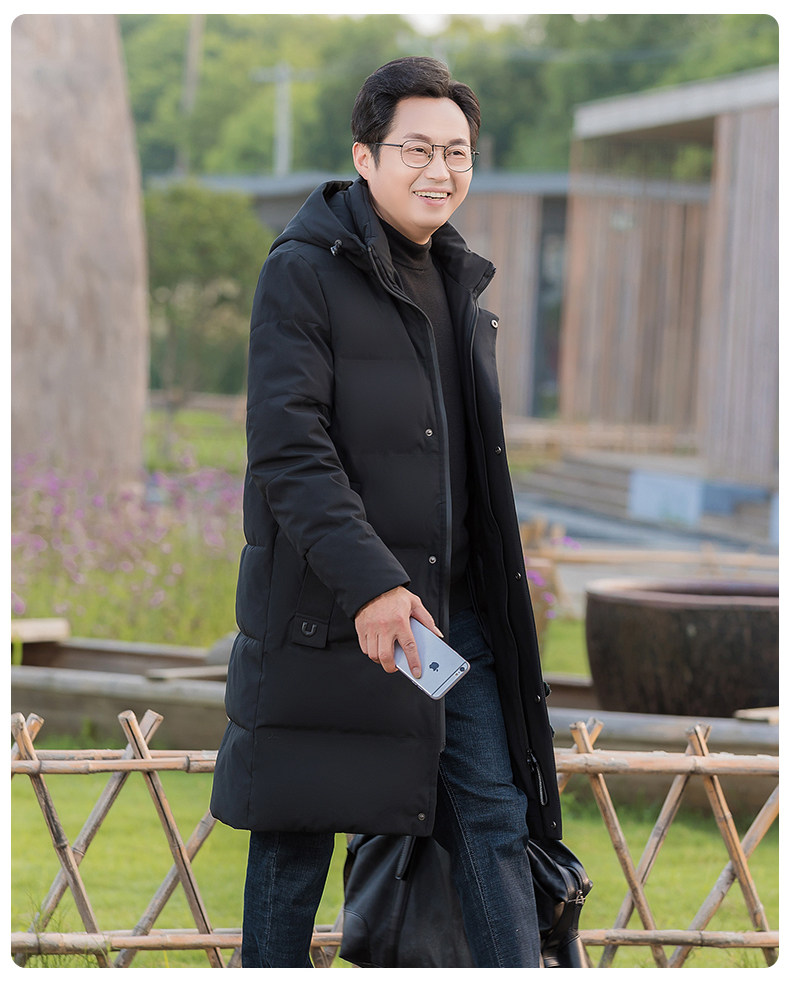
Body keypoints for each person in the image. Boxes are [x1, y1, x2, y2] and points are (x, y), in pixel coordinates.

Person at [210, 55, 562, 968]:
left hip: (451, 621)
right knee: (295, 839)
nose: (440, 169)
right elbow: (289, 450)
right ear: (365, 156)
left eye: (458, 151)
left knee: (493, 819)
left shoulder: (458, 279)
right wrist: (372, 585)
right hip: (330, 615)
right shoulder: (302, 271)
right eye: (417, 149)